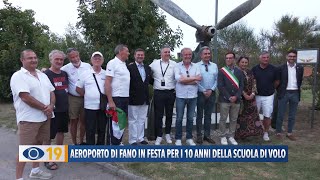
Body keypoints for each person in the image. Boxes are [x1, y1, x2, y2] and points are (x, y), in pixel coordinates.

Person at [10, 49, 55, 180]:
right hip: (29, 119)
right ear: (22, 60)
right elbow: (25, 97)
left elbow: (52, 92)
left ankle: (35, 171)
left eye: (35, 57)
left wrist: (51, 106)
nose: (34, 60)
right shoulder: (18, 76)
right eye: (30, 58)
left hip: (45, 117)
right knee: (25, 150)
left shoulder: (42, 75)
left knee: (39, 144)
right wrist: (44, 108)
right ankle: (18, 178)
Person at [43, 50, 69, 170]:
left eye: (61, 59)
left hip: (64, 108)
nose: (59, 61)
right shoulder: (45, 74)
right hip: (51, 109)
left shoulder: (64, 73)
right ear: (51, 60)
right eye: (56, 59)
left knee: (61, 132)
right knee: (48, 135)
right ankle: (47, 159)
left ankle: (58, 154)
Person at [61, 48, 91, 145]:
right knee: (74, 121)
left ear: (79, 55)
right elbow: (54, 71)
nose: (75, 59)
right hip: (73, 98)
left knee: (84, 121)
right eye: (72, 57)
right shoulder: (65, 68)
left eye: (76, 56)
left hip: (86, 98)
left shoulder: (87, 66)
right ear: (69, 58)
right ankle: (74, 143)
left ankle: (82, 141)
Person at [76, 51, 107, 145]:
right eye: (95, 58)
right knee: (90, 128)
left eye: (99, 58)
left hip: (103, 106)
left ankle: (100, 147)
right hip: (89, 106)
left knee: (102, 128)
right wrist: (88, 95)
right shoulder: (85, 73)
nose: (97, 60)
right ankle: (91, 147)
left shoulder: (106, 74)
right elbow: (78, 88)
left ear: (102, 60)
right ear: (91, 60)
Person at [149, 45, 176, 145]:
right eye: (165, 52)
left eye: (168, 52)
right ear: (161, 54)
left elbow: (178, 77)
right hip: (159, 92)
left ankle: (168, 133)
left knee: (169, 114)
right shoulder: (154, 64)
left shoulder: (174, 64)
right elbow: (148, 73)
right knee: (158, 115)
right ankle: (159, 136)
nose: (167, 54)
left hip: (170, 92)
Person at [174, 48, 201, 146]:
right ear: (182, 56)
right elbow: (179, 79)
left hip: (193, 96)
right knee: (179, 118)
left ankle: (189, 138)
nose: (188, 56)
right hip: (180, 96)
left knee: (190, 118)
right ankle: (178, 138)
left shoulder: (196, 66)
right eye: (185, 54)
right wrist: (193, 78)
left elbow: (199, 80)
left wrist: (185, 79)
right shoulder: (177, 66)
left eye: (189, 54)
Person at [275, 49, 304, 141]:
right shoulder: (280, 68)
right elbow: (277, 81)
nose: (292, 58)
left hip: (295, 93)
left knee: (292, 115)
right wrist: (279, 90)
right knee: (280, 114)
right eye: (290, 56)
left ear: (296, 57)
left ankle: (289, 133)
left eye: (294, 56)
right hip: (284, 93)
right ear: (287, 57)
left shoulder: (300, 67)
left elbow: (300, 80)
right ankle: (278, 132)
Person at [105, 44, 130, 145]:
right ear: (120, 52)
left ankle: (118, 142)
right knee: (115, 123)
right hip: (116, 97)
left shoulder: (124, 64)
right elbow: (107, 82)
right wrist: (110, 100)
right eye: (127, 51)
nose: (128, 53)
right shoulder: (112, 63)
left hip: (125, 97)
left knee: (122, 122)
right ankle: (112, 144)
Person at [217, 52, 244, 145]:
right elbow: (220, 86)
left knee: (233, 119)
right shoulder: (221, 71)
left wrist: (236, 96)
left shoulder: (239, 71)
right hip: (225, 99)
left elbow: (241, 86)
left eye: (230, 58)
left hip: (236, 100)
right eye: (227, 58)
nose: (228, 60)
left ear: (234, 59)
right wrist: (229, 97)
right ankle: (222, 136)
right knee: (223, 118)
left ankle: (231, 136)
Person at [127, 48, 152, 145]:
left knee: (142, 119)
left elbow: (149, 82)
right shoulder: (129, 67)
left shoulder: (147, 68)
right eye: (138, 55)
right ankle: (132, 140)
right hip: (133, 98)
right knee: (133, 120)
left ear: (144, 56)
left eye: (142, 55)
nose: (140, 56)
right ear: (134, 56)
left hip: (145, 98)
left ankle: (140, 138)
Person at [234, 56, 264, 139]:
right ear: (238, 63)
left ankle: (251, 134)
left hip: (251, 98)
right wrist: (244, 95)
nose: (244, 64)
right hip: (241, 98)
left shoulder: (249, 72)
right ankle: (240, 135)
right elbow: (237, 85)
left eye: (246, 62)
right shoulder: (235, 72)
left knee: (252, 116)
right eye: (242, 62)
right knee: (241, 116)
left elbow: (254, 83)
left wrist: (253, 94)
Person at [251, 51, 277, 141]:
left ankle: (265, 132)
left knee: (267, 115)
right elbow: (252, 82)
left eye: (267, 57)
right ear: (260, 58)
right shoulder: (254, 69)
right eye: (264, 57)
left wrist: (271, 88)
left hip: (269, 96)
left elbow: (277, 82)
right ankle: (255, 131)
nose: (266, 59)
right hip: (256, 96)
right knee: (255, 115)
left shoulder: (274, 69)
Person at [196, 46, 218, 144]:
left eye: (209, 53)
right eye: (205, 54)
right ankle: (199, 136)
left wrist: (211, 89)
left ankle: (207, 135)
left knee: (208, 115)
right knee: (199, 115)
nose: (207, 55)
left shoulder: (214, 66)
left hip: (212, 93)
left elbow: (217, 79)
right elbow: (195, 80)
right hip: (200, 93)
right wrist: (203, 90)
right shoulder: (195, 66)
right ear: (201, 55)